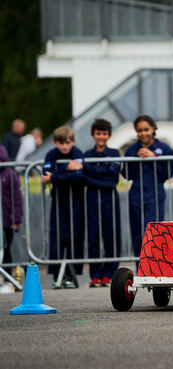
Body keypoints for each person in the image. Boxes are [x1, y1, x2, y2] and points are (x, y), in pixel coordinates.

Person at [122, 115, 173, 257]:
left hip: (155, 194)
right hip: (136, 195)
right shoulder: (132, 149)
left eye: (146, 129)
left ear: (153, 129)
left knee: (153, 230)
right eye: (139, 130)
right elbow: (126, 174)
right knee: (138, 232)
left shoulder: (163, 148)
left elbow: (168, 173)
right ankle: (140, 266)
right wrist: (135, 160)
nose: (143, 133)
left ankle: (154, 264)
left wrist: (153, 158)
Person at [41, 125, 84, 288]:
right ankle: (56, 274)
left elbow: (79, 175)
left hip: (76, 202)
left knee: (74, 237)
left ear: (73, 141)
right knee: (57, 238)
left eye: (67, 142)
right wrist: (66, 168)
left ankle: (71, 276)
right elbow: (46, 176)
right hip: (58, 202)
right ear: (54, 142)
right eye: (61, 143)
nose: (64, 146)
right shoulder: (51, 154)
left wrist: (56, 176)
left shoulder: (77, 153)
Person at [83, 119, 121, 287]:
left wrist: (92, 175)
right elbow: (83, 177)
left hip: (110, 197)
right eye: (98, 133)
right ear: (93, 135)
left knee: (111, 235)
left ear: (109, 135)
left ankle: (109, 273)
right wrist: (102, 174)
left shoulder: (114, 153)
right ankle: (95, 274)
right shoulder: (87, 155)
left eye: (104, 133)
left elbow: (113, 179)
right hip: (92, 198)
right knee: (93, 235)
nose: (101, 136)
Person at [0, 145, 23, 293]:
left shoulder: (9, 174)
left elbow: (17, 199)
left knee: (6, 249)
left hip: (7, 221)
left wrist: (17, 218)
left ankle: (9, 279)